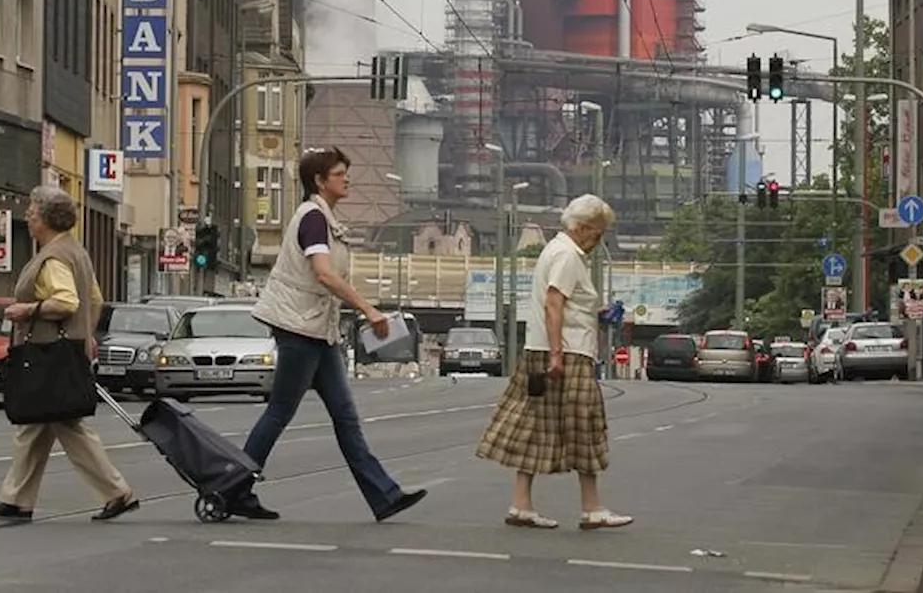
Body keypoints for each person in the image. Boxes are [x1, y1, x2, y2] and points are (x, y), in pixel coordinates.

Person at [232, 146, 428, 522]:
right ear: (319, 182)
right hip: (299, 328)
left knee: (345, 415)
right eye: (339, 174)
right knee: (279, 412)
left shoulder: (326, 220)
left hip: (319, 331)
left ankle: (384, 496)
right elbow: (323, 273)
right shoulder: (312, 219)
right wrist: (368, 309)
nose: (346, 179)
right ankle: (234, 488)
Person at [476, 193, 633, 531]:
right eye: (598, 232)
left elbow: (564, 304)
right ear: (583, 227)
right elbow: (553, 303)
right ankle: (592, 508)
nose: (599, 240)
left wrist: (596, 312)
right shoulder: (567, 255)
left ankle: (521, 505)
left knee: (535, 425)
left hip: (540, 350)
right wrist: (557, 354)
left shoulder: (556, 250)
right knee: (585, 425)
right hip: (567, 354)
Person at [0, 186, 139, 522]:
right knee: (36, 425)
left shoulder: (53, 258)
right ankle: (16, 499)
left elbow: (67, 302)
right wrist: (87, 333)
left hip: (47, 351)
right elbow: (94, 299)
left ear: (48, 219)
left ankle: (117, 492)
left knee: (65, 422)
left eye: (34, 212)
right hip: (65, 348)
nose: (28, 217)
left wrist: (26, 310)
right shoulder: (75, 251)